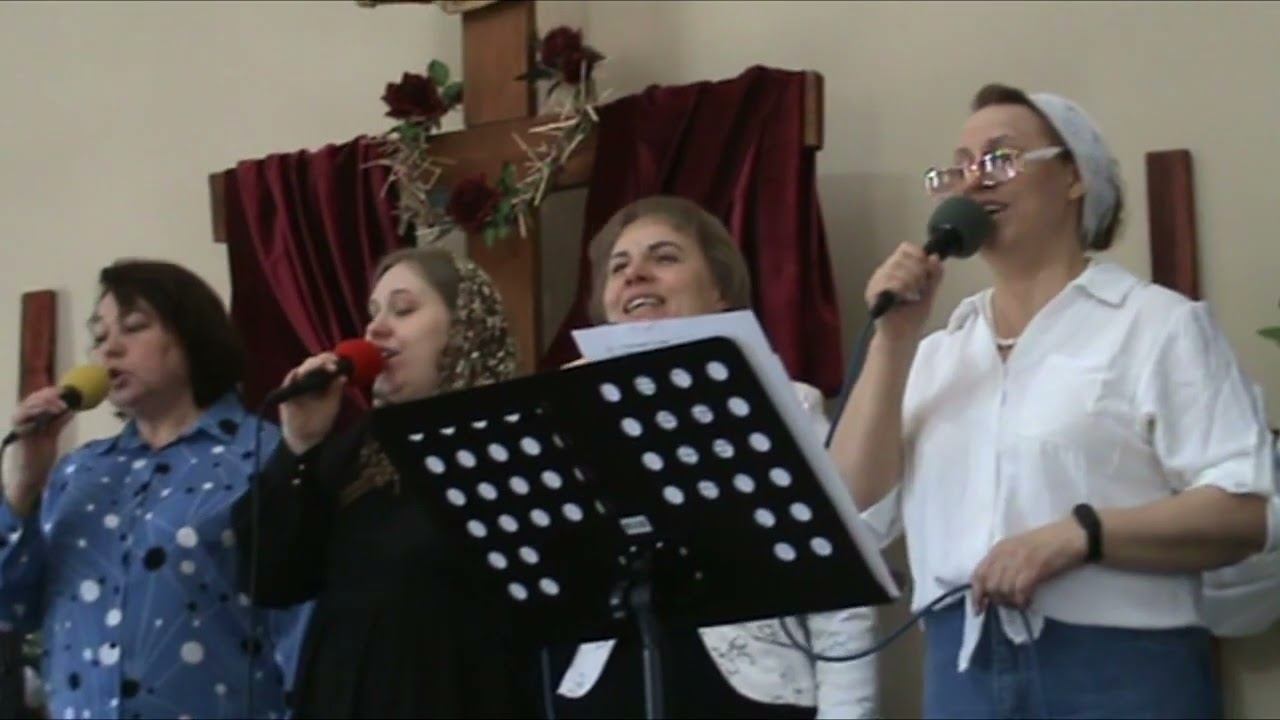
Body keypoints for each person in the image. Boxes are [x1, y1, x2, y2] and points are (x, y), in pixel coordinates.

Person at [829, 83, 1276, 719]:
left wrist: (1081, 535)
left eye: (1001, 158)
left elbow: (1244, 514)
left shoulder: (1156, 325)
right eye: (959, 166)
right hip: (963, 674)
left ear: (1073, 176)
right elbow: (852, 508)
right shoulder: (935, 354)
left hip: (1121, 672)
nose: (973, 180)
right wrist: (893, 342)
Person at [551, 195, 880, 719]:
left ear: (720, 291)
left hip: (747, 698)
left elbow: (840, 597)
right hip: (605, 691)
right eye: (618, 267)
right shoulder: (570, 416)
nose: (635, 275)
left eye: (664, 257)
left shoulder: (785, 405)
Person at [233, 247, 534, 718]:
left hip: (456, 691)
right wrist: (298, 445)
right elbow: (272, 579)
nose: (374, 330)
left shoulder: (511, 440)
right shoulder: (356, 448)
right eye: (373, 313)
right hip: (345, 693)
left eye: (403, 309)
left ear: (465, 326)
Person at [0, 260, 302, 719]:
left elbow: (302, 628)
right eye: (99, 336)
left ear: (191, 335)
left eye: (134, 326)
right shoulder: (80, 472)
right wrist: (22, 488)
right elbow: (10, 610)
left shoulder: (263, 457)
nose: (110, 348)